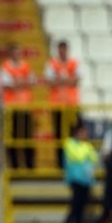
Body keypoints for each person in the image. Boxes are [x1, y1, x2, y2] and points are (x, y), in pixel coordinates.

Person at [0, 43, 37, 169]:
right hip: (11, 107)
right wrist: (22, 83)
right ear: (10, 54)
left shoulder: (25, 66)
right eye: (14, 53)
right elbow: (7, 84)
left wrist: (17, 83)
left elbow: (33, 81)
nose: (17, 55)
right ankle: (14, 165)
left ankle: (30, 165)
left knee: (27, 136)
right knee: (12, 136)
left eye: (18, 53)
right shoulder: (5, 67)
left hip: (25, 106)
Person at [44, 40, 81, 168]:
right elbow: (50, 81)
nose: (62, 52)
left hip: (71, 105)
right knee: (59, 135)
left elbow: (76, 81)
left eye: (64, 49)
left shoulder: (74, 63)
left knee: (73, 133)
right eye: (60, 50)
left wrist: (59, 80)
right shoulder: (52, 63)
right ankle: (60, 163)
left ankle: (73, 160)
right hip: (57, 105)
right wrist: (67, 80)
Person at [61, 124, 98, 223]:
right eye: (83, 132)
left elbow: (94, 159)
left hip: (86, 180)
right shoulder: (70, 144)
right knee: (75, 205)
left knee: (81, 207)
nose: (85, 135)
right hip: (76, 179)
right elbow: (78, 157)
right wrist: (86, 159)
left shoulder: (87, 145)